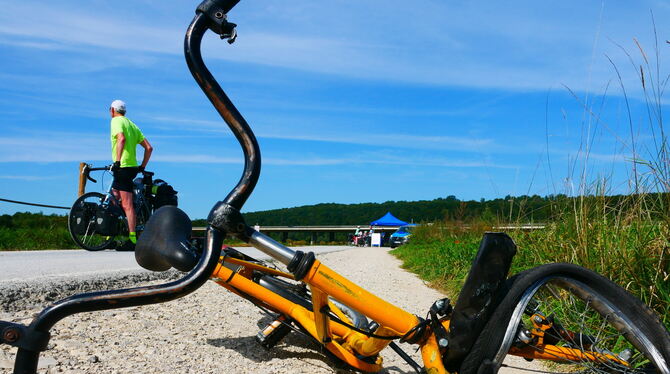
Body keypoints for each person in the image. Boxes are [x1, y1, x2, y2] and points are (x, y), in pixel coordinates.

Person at [109, 99, 153, 246]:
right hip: (132, 167)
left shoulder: (116, 121)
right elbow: (149, 148)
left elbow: (121, 139)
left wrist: (117, 161)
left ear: (112, 110)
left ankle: (132, 237)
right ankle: (114, 231)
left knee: (127, 204)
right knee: (115, 195)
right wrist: (142, 166)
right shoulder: (132, 125)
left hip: (123, 166)